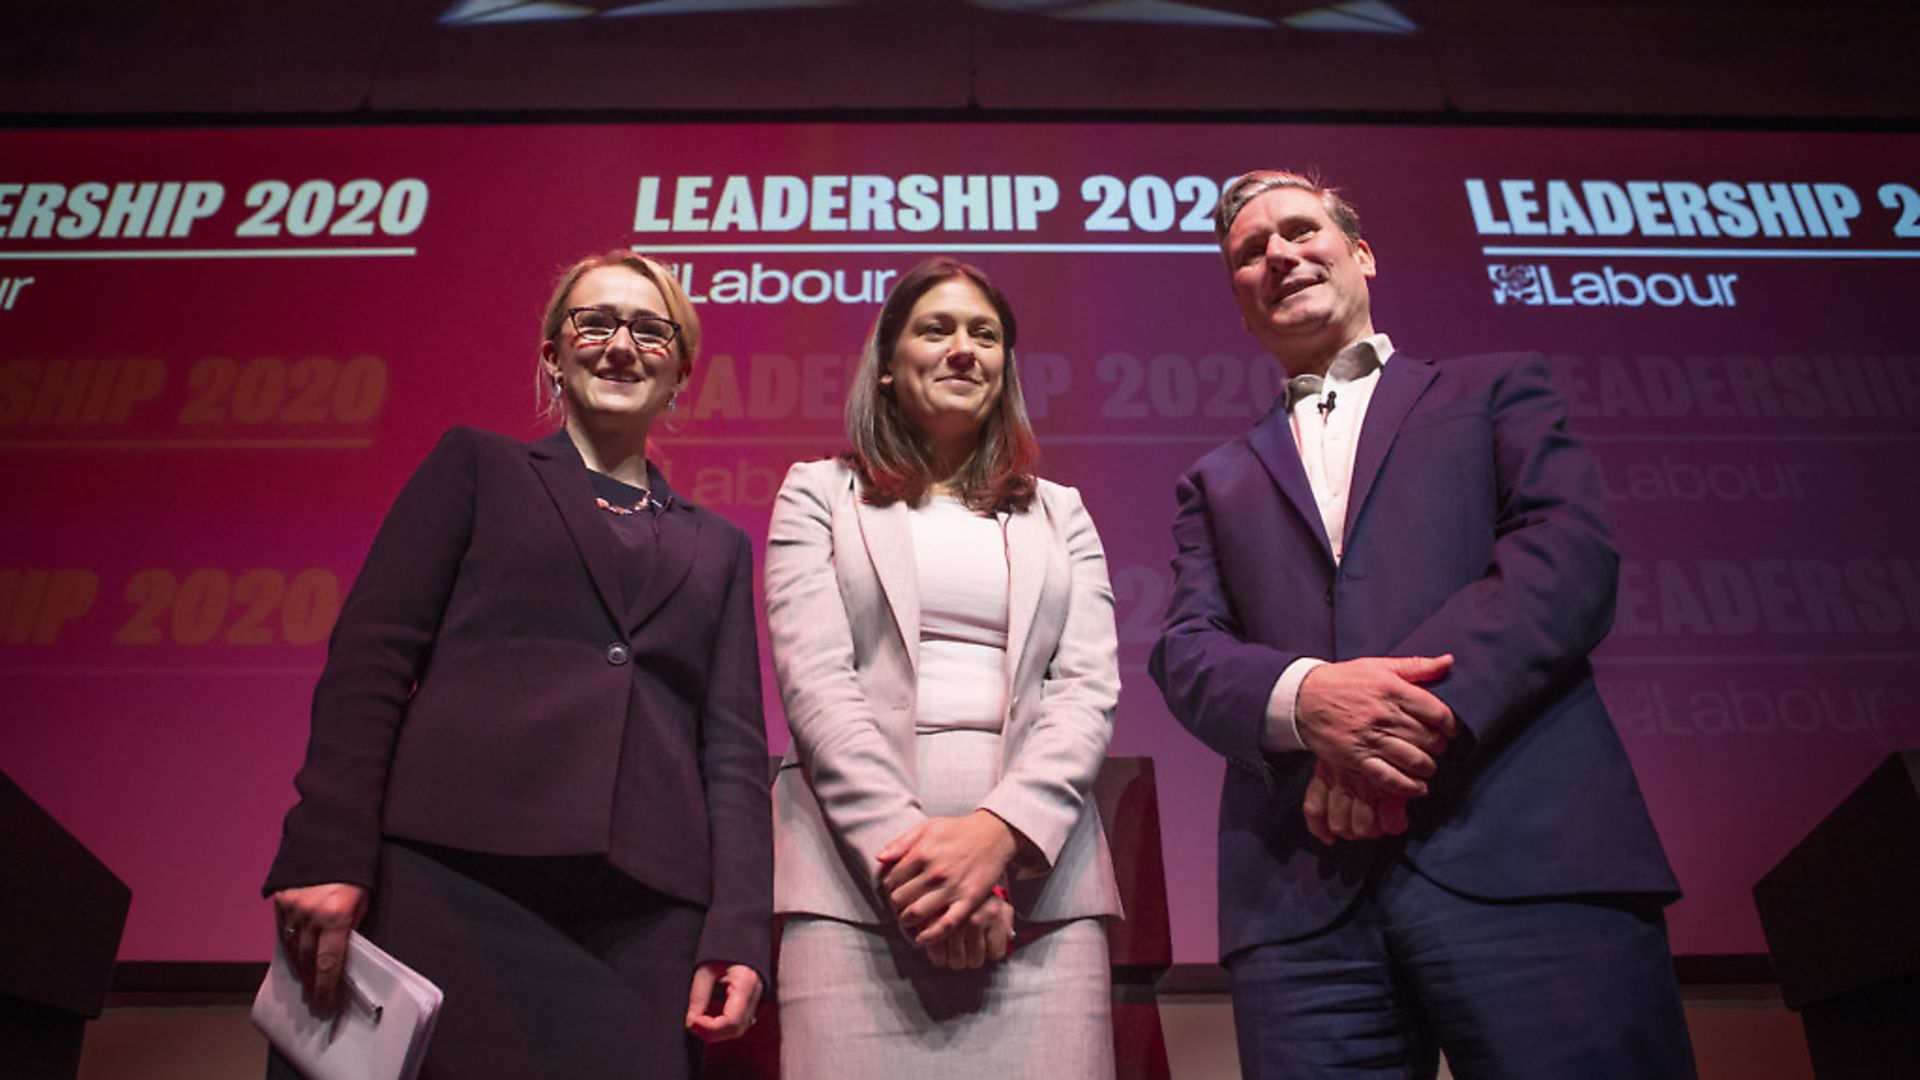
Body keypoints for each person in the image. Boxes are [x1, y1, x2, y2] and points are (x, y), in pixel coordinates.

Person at [1150, 171, 1694, 1078]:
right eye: (1250, 253)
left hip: (1529, 858)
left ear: (1360, 255)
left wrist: (1383, 720)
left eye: (1299, 230)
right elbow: (1187, 650)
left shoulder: (1497, 390)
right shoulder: (1214, 480)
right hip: (1302, 903)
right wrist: (1309, 700)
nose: (1278, 254)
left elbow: (1563, 561)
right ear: (1241, 305)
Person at [262, 251, 771, 1079]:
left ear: (681, 369)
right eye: (594, 322)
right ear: (552, 356)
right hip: (443, 885)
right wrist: (326, 848)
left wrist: (739, 929)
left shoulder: (719, 547)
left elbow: (737, 755)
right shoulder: (477, 467)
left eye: (650, 329)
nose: (620, 345)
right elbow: (372, 661)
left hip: (641, 929)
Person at [764, 258, 1123, 1077]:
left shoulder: (1061, 510)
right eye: (937, 329)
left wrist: (996, 843)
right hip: (855, 900)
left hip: (1042, 903)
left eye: (984, 335)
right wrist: (925, 875)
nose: (964, 349)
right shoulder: (818, 493)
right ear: (886, 367)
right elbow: (818, 688)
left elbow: (1088, 690)